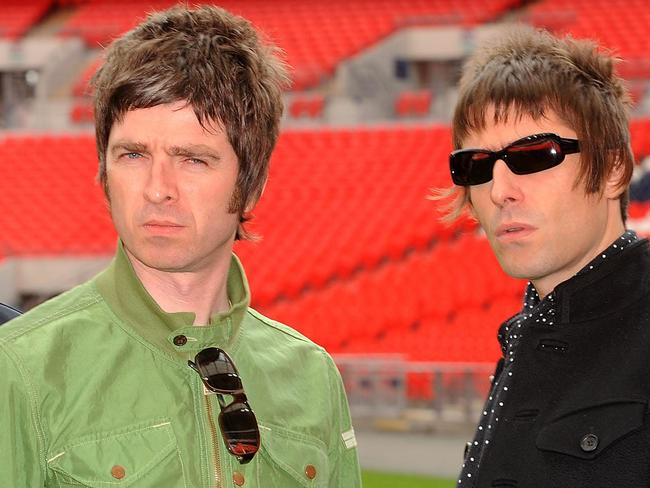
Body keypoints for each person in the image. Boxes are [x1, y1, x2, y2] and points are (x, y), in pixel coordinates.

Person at [0, 5, 361, 487]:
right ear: (104, 171)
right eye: (132, 154)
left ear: (251, 184)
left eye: (192, 159)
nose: (156, 188)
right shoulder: (21, 367)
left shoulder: (312, 375)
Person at [445, 25, 649, 487]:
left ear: (614, 169)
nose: (499, 191)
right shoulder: (527, 333)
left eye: (536, 155)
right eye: (476, 166)